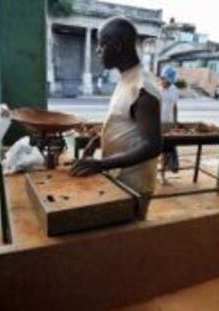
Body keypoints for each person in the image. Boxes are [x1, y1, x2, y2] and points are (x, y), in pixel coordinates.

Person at [71, 17, 162, 219]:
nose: (97, 50)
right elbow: (127, 123)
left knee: (124, 243)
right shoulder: (127, 78)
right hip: (119, 179)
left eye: (102, 44)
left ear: (118, 45)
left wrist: (101, 164)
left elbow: (153, 146)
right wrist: (99, 139)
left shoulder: (143, 87)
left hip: (133, 186)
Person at [159, 67, 179, 183]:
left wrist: (175, 122)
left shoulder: (174, 90)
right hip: (157, 123)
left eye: (169, 80)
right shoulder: (157, 89)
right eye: (165, 79)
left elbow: (175, 106)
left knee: (166, 150)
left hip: (169, 124)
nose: (166, 81)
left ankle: (162, 175)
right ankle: (155, 172)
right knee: (155, 149)